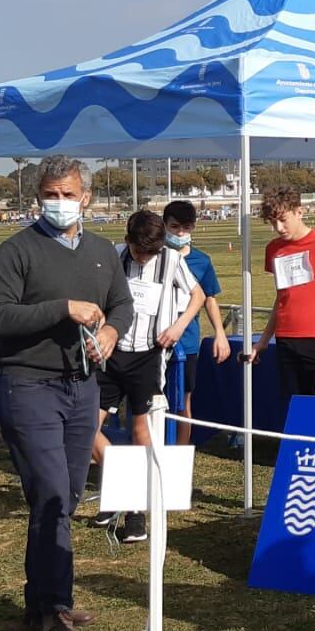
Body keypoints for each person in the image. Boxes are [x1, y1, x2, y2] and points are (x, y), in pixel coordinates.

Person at [0, 155, 130, 631]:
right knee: (47, 493)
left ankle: (49, 598)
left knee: (65, 496)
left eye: (68, 195)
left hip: (81, 388)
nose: (59, 203)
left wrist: (110, 330)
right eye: (51, 194)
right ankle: (48, 610)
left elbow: (122, 304)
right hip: (28, 386)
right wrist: (62, 310)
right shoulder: (17, 249)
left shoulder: (103, 251)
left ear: (86, 197)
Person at [90, 209, 203, 544]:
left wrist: (178, 326)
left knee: (143, 432)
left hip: (148, 357)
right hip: (110, 353)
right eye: (139, 252)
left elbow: (197, 295)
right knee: (83, 428)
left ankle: (136, 512)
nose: (144, 259)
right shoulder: (113, 256)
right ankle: (121, 488)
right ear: (127, 242)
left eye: (151, 253)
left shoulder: (170, 260)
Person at [247, 185, 315, 407]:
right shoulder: (274, 250)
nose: (278, 227)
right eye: (272, 222)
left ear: (299, 212)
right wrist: (263, 341)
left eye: (283, 220)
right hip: (287, 340)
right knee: (294, 406)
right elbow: (282, 299)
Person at [161, 198, 230, 447]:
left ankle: (180, 454)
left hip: (187, 342)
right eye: (175, 227)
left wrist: (220, 334)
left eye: (186, 228)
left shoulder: (201, 261)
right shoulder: (154, 255)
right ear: (164, 225)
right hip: (154, 340)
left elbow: (210, 299)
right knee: (154, 401)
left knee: (183, 402)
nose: (180, 233)